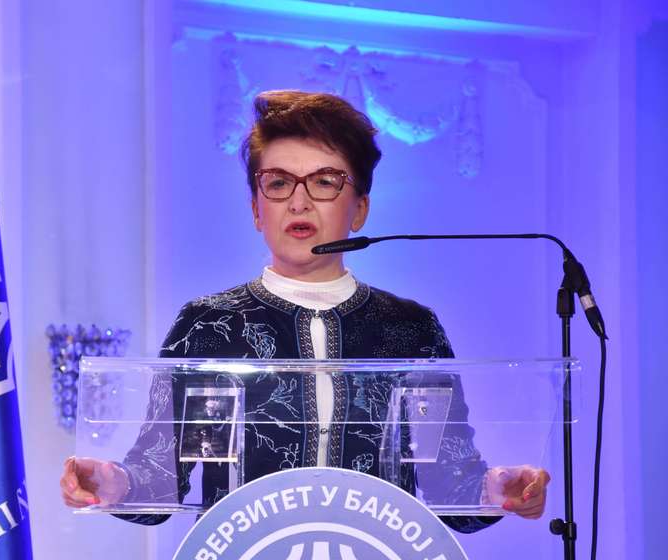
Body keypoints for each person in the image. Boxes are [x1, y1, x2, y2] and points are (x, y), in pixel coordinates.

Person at [60, 90, 550, 529]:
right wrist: (111, 482)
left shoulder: (411, 329)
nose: (299, 202)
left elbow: (450, 480)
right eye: (278, 183)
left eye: (324, 182)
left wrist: (497, 489)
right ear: (257, 209)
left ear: (360, 209)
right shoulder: (209, 326)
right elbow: (160, 476)